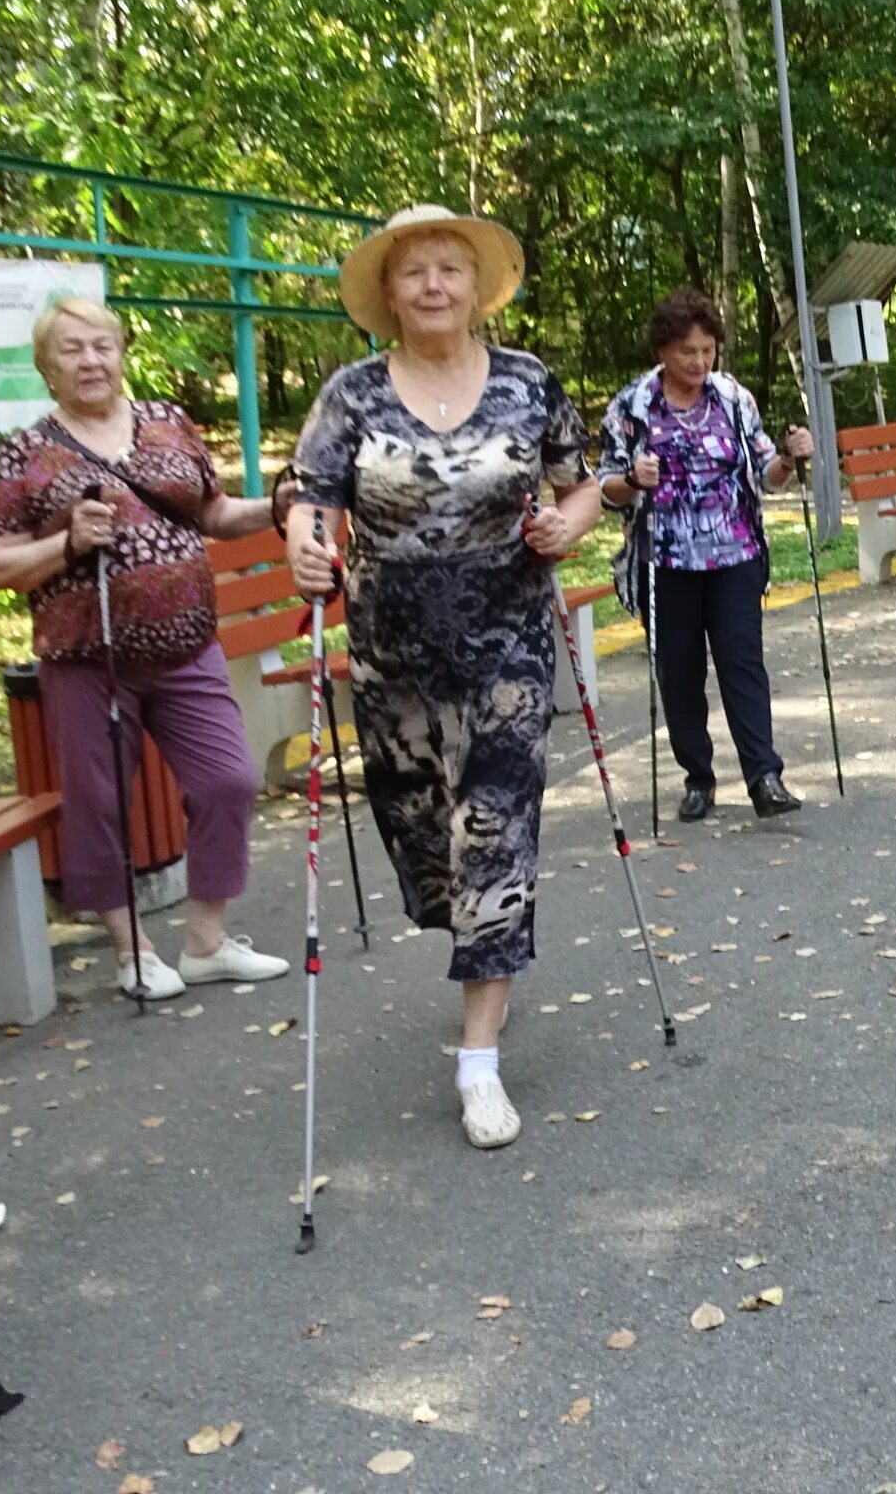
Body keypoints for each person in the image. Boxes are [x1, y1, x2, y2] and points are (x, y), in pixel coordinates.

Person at [277, 206, 603, 1150]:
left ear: (475, 286)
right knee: (428, 841)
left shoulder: (529, 383)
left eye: (449, 269)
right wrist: (307, 550)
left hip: (505, 638)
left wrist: (569, 524)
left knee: (494, 827)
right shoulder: (350, 395)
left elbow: (578, 482)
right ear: (388, 293)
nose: (431, 285)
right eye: (413, 271)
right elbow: (311, 503)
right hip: (393, 653)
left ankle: (479, 1062)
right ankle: (475, 944)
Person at [0, 295, 287, 997]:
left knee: (229, 782)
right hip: (89, 657)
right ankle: (133, 954)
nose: (90, 361)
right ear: (46, 367)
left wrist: (275, 506)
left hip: (186, 645)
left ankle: (206, 943)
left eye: (101, 346)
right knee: (98, 802)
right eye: (71, 350)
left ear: (121, 353)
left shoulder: (167, 422)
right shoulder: (28, 451)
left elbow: (213, 512)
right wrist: (66, 544)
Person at [595, 290, 815, 824]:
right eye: (687, 352)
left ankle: (765, 777)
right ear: (663, 351)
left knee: (743, 662)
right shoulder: (633, 406)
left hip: (734, 552)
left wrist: (789, 458)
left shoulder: (733, 399)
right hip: (665, 561)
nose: (699, 363)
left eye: (708, 351)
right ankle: (698, 778)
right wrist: (631, 479)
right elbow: (602, 490)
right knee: (680, 673)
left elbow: (765, 469)